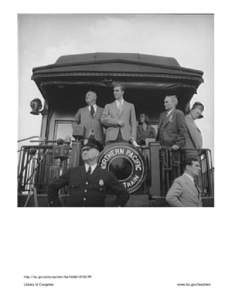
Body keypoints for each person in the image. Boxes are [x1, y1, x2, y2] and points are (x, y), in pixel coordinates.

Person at [48, 138, 129, 207]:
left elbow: (124, 194)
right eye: (83, 150)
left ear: (97, 153)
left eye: (88, 149)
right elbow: (52, 187)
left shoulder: (106, 175)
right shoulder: (72, 172)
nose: (84, 152)